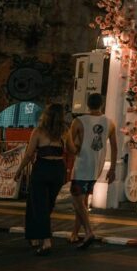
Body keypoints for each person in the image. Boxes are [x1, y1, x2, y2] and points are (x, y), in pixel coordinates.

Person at [13, 104, 68, 255]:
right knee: (47, 206)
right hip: (58, 170)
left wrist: (19, 170)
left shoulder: (38, 132)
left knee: (38, 205)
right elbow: (71, 150)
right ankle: (36, 236)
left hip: (42, 168)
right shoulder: (64, 132)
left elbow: (29, 154)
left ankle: (45, 240)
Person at [69, 93, 117, 250]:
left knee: (77, 201)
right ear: (102, 104)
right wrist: (113, 169)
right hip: (97, 168)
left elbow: (70, 146)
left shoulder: (78, 121)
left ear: (87, 105)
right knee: (82, 202)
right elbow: (115, 147)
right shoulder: (109, 123)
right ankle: (75, 233)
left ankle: (89, 231)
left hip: (81, 166)